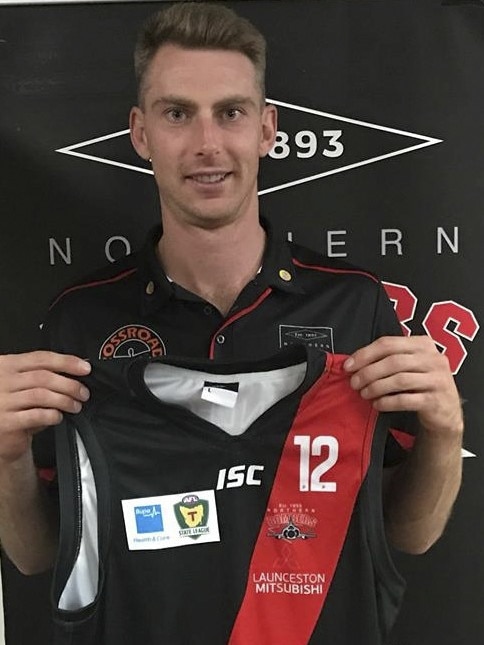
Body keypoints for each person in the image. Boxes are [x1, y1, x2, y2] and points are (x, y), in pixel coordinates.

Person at [0, 1, 463, 642]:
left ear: (268, 129)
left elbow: (406, 535)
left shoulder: (355, 305)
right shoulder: (82, 321)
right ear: (140, 133)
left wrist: (443, 430)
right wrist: (3, 456)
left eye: (231, 112)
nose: (206, 144)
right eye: (177, 113)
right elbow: (38, 553)